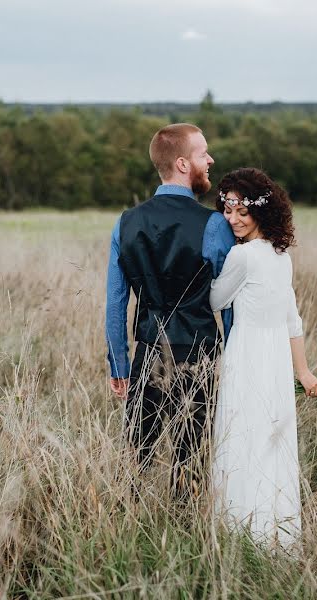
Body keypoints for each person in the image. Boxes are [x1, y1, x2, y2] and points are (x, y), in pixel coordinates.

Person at [105, 123, 235, 499]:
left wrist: (119, 365)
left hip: (147, 353)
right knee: (190, 461)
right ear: (182, 163)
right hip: (200, 356)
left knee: (135, 459)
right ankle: (188, 536)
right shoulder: (214, 225)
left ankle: (128, 528)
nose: (210, 160)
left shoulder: (125, 222)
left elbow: (116, 301)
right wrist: (236, 357)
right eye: (202, 154)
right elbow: (228, 306)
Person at [209, 167, 317, 550]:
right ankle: (276, 533)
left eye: (242, 212)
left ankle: (241, 530)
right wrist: (303, 371)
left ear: (262, 211)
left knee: (244, 436)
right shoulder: (281, 255)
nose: (233, 220)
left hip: (249, 355)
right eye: (228, 210)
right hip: (275, 359)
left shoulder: (242, 256)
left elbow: (215, 300)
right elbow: (293, 319)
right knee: (271, 440)